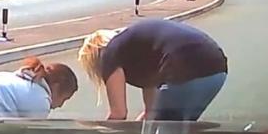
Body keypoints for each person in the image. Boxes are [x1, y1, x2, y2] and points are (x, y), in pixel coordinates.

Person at [77, 19, 228, 121]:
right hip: (217, 69)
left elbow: (119, 114)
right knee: (179, 131)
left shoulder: (109, 52)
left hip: (185, 69)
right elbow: (151, 113)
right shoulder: (140, 48)